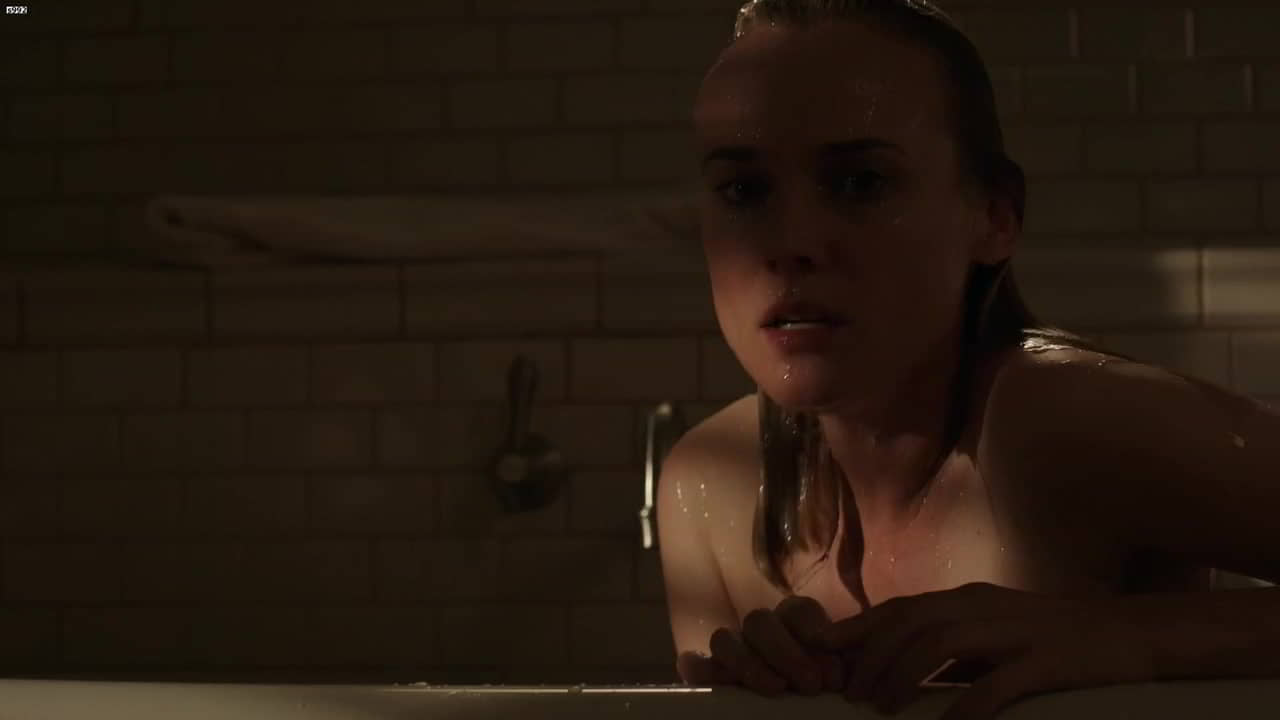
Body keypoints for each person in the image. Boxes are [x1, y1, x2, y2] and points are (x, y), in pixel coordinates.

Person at [657, 1, 1280, 719]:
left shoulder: (1056, 421)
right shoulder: (711, 487)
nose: (790, 242)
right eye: (743, 190)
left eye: (861, 182)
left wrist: (1132, 637)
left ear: (994, 215)